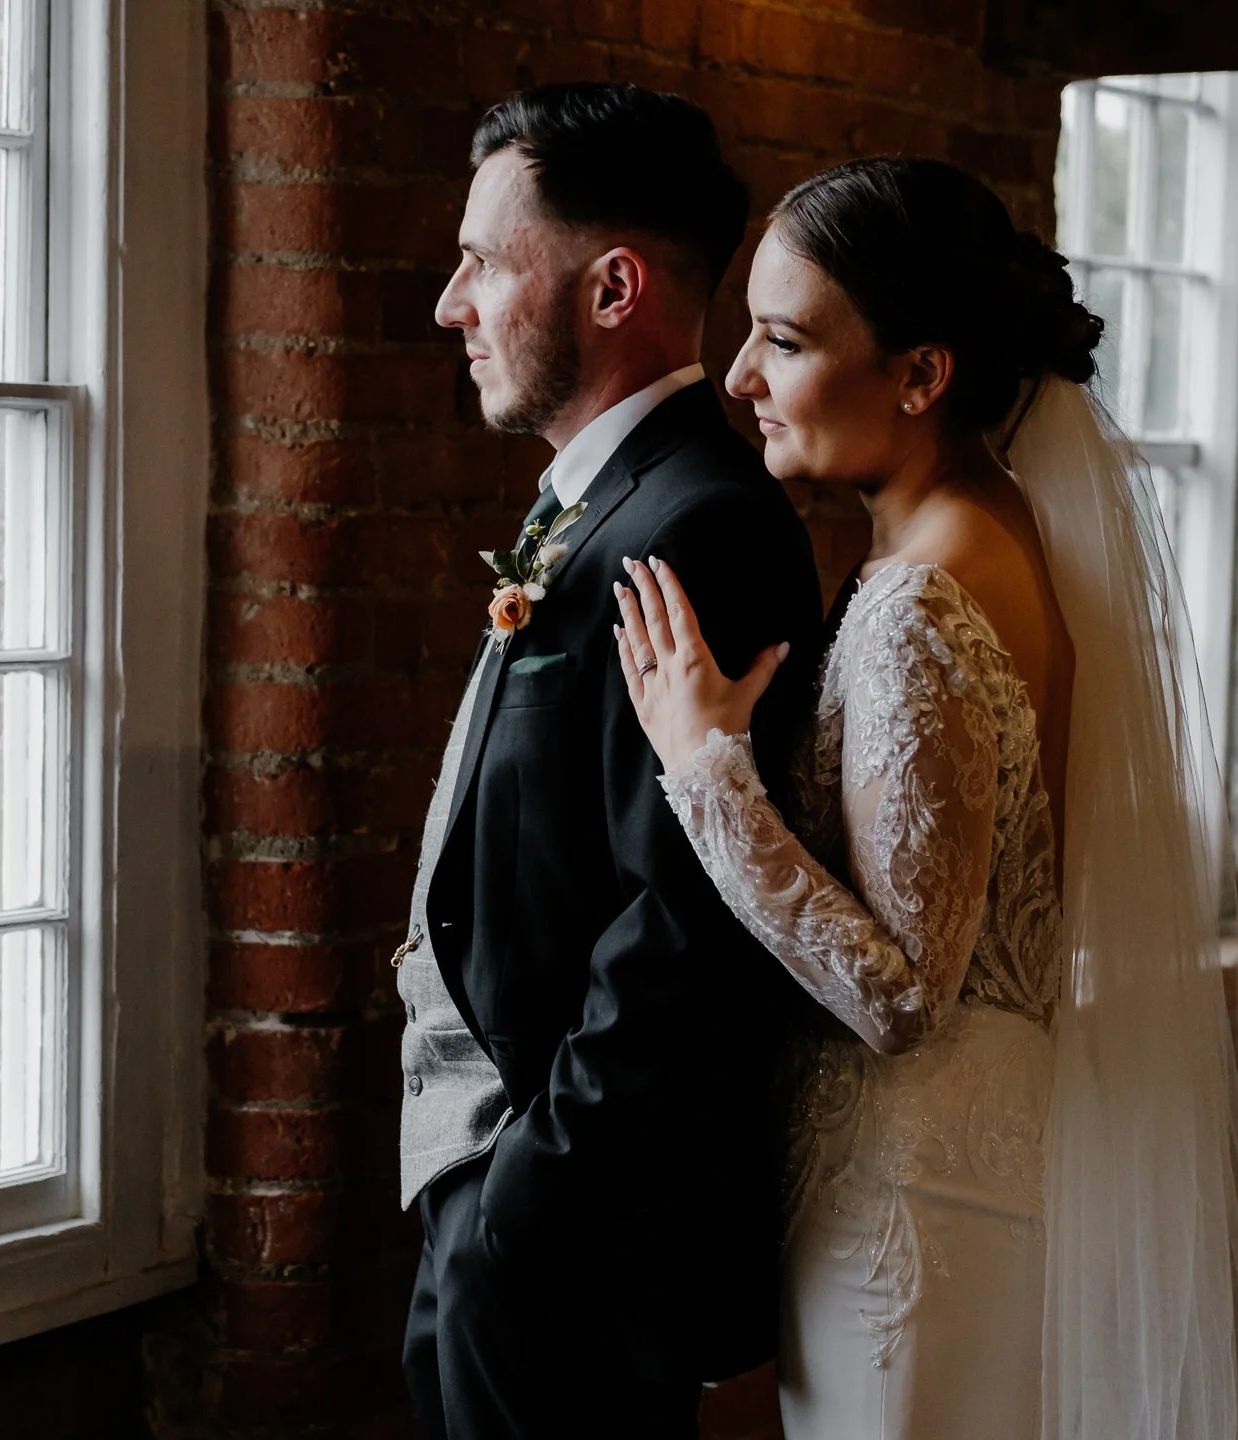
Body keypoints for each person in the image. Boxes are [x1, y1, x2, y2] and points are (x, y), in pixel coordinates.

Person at [613, 157, 1238, 1438]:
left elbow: (899, 995)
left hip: (913, 1202)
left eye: (782, 341)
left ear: (920, 374)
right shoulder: (1003, 530)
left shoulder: (920, 605)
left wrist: (704, 768)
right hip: (967, 1164)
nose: (739, 376)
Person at [395, 83, 824, 1435]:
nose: (451, 306)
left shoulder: (701, 523)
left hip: (565, 1236)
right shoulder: (597, 504)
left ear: (613, 287)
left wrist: (521, 1213)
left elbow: (690, 927)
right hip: (485, 1192)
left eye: (483, 263)